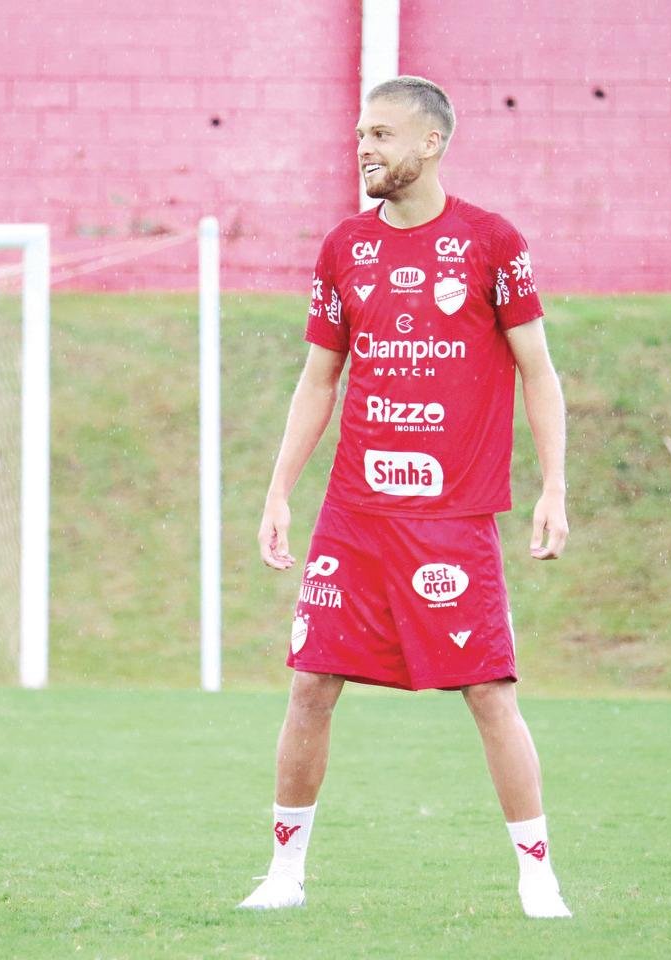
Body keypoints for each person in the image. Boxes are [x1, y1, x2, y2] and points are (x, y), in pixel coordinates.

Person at [239, 77, 571, 918]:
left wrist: (552, 487)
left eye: (383, 135)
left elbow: (538, 370)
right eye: (360, 135)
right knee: (310, 686)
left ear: (432, 144)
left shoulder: (492, 243)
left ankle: (539, 878)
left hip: (453, 517)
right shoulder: (344, 248)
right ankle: (284, 874)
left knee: (490, 693)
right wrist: (280, 490)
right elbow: (320, 380)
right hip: (354, 514)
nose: (365, 149)